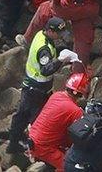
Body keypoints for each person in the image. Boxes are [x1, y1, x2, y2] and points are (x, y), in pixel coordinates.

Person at [8, 17, 75, 152]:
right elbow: (46, 70)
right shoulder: (43, 48)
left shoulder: (40, 35)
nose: (60, 36)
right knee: (34, 116)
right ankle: (25, 144)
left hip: (35, 85)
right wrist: (61, 60)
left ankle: (20, 141)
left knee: (25, 113)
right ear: (50, 31)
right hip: (36, 87)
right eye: (58, 33)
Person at [29, 72, 91, 172]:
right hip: (43, 147)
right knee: (70, 167)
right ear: (80, 93)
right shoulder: (75, 111)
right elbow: (79, 135)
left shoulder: (56, 96)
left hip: (33, 136)